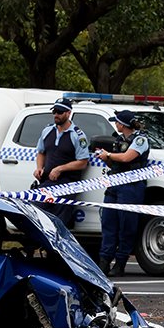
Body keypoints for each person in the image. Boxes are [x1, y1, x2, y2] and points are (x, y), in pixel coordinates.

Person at [94, 109, 150, 276]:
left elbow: (127, 158)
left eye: (117, 122)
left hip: (131, 186)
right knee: (108, 222)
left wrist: (109, 154)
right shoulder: (118, 140)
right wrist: (106, 159)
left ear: (123, 124)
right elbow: (117, 165)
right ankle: (104, 262)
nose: (115, 125)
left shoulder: (140, 140)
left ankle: (120, 263)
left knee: (127, 225)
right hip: (114, 184)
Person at [33, 98, 90, 230]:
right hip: (48, 182)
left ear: (68, 113)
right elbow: (41, 152)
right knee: (37, 211)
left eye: (59, 112)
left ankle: (57, 250)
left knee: (59, 222)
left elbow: (82, 162)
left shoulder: (78, 135)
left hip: (68, 185)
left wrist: (60, 169)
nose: (56, 115)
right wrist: (39, 168)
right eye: (54, 111)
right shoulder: (47, 131)